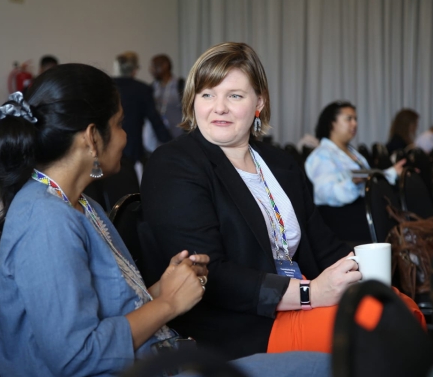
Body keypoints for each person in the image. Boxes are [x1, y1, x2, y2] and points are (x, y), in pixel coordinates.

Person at [0, 63, 333, 377]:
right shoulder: (46, 219)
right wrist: (166, 304)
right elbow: (77, 356)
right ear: (92, 138)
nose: (125, 136)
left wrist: (159, 289)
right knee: (322, 373)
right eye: (119, 124)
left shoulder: (80, 204)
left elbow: (100, 314)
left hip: (141, 371)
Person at [140, 43, 424, 360]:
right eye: (207, 94)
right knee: (381, 328)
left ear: (259, 102)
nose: (219, 107)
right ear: (193, 101)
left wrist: (362, 276)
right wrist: (310, 293)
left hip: (301, 301)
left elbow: (323, 243)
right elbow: (210, 276)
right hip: (240, 326)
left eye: (234, 95)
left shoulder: (279, 162)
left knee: (402, 308)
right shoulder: (175, 163)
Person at [305, 101, 406, 208]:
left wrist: (393, 172)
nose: (354, 124)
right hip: (344, 216)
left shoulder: (352, 152)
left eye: (355, 119)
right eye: (349, 119)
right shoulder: (322, 155)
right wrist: (352, 183)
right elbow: (325, 194)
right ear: (332, 123)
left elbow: (369, 179)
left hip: (367, 208)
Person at [114, 51, 172, 165]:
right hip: (133, 150)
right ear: (134, 70)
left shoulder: (106, 87)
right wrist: (172, 143)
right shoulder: (142, 89)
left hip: (109, 148)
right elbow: (154, 119)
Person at [143, 54, 185, 153]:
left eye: (154, 66)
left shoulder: (180, 85)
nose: (151, 70)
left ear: (165, 66)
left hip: (178, 139)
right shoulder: (152, 87)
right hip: (156, 142)